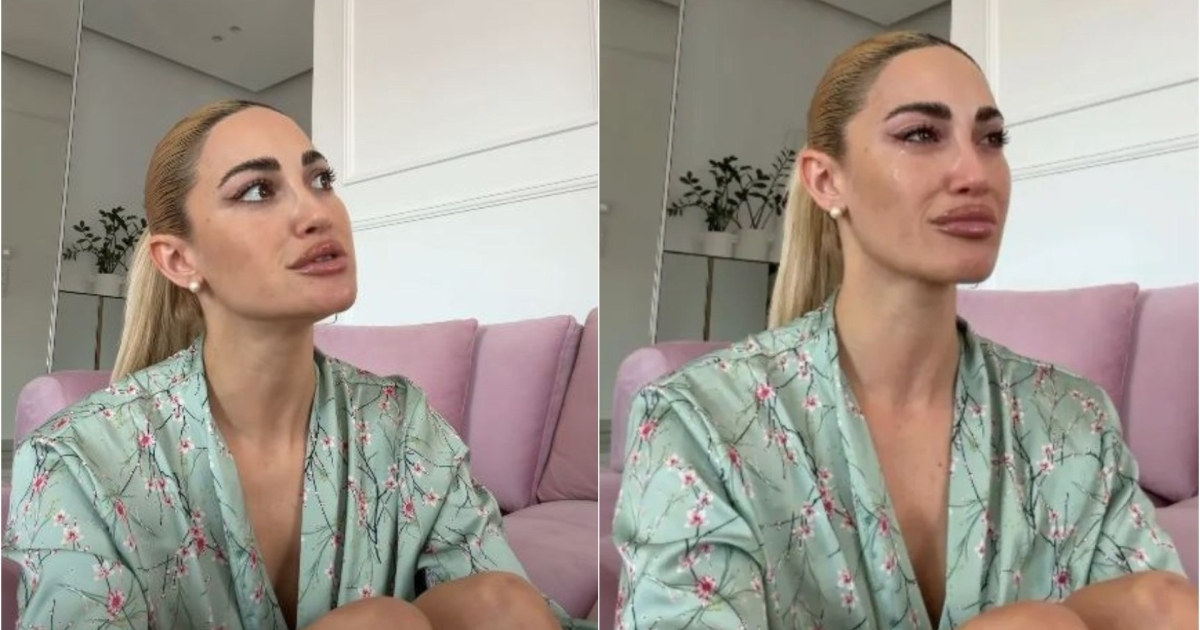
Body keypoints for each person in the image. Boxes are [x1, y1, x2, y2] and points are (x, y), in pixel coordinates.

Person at [612, 31, 1197, 630]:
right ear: (826, 180)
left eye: (991, 139)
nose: (975, 172)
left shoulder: (1076, 422)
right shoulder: (700, 423)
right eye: (921, 134)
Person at [3, 100, 590, 630]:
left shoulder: (402, 422)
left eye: (321, 180)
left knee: (500, 603)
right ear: (179, 260)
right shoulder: (78, 461)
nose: (316, 212)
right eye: (257, 190)